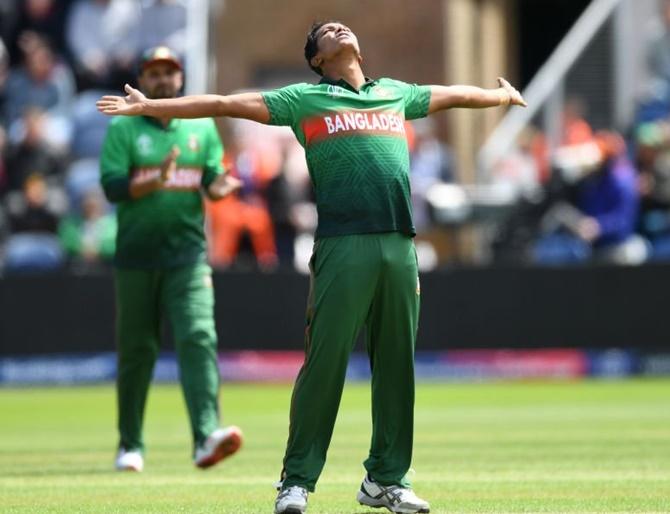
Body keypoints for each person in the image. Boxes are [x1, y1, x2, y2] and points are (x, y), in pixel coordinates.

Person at [97, 22, 525, 513]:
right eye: (326, 32)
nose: (339, 29)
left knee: (397, 366)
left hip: (399, 243)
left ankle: (386, 479)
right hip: (343, 245)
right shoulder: (304, 99)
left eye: (343, 26)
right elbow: (222, 104)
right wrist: (151, 107)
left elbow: (450, 94)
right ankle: (296, 480)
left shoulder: (393, 94)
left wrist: (497, 98)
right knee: (325, 365)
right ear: (318, 59)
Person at [98, 46, 244, 473]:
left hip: (187, 256)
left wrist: (221, 188)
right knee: (137, 351)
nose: (163, 80)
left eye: (170, 73)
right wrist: (155, 178)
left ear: (180, 79)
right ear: (143, 79)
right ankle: (130, 444)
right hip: (136, 258)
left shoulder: (200, 125)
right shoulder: (125, 128)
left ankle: (205, 436)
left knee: (199, 337)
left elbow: (213, 180)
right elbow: (112, 188)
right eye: (154, 73)